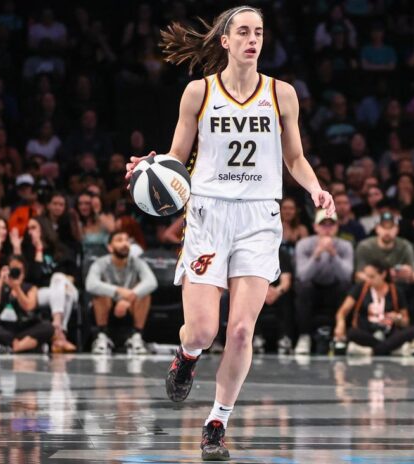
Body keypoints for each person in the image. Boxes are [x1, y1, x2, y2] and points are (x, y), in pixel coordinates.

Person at [125, 6, 335, 461]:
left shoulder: (281, 94)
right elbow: (178, 157)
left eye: (258, 32)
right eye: (243, 32)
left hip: (259, 218)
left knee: (240, 332)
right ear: (225, 40)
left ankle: (217, 422)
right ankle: (187, 354)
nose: (252, 39)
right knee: (203, 331)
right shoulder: (198, 92)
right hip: (209, 214)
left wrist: (316, 189)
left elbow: (295, 157)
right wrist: (149, 166)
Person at [86, 230, 158, 355]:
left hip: (130, 306)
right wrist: (117, 291)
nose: (125, 244)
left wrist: (130, 296)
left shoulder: (137, 262)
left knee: (144, 294)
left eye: (126, 240)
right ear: (110, 247)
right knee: (99, 293)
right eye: (119, 240)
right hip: (107, 305)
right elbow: (90, 284)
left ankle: (136, 337)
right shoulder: (100, 263)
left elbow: (152, 282)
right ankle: (102, 336)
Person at [293, 209, 353, 355]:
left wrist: (333, 254)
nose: (327, 228)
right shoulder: (304, 244)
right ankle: (304, 336)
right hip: (313, 288)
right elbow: (302, 275)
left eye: (331, 224)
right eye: (323, 224)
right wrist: (316, 255)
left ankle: (339, 336)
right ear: (315, 227)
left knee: (346, 287)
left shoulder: (345, 246)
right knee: (302, 287)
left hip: (333, 288)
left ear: (337, 227)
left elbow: (346, 276)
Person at [19, 217, 78, 353]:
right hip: (43, 292)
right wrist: (39, 250)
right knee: (64, 293)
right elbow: (34, 279)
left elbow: (75, 275)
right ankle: (61, 335)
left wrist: (63, 281)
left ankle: (55, 328)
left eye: (33, 228)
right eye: (28, 229)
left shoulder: (61, 249)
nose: (30, 232)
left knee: (58, 279)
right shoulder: (28, 252)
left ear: (43, 228)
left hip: (68, 287)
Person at [334, 260, 414, 356]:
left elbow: (406, 321)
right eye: (366, 276)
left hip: (389, 332)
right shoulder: (360, 288)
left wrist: (398, 318)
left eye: (372, 277)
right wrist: (340, 324)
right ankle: (390, 349)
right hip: (366, 331)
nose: (368, 280)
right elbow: (342, 311)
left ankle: (372, 351)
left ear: (383, 274)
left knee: (412, 330)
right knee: (351, 333)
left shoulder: (395, 291)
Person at [0, 255, 54, 353]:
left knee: (48, 327)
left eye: (18, 270)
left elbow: (29, 306)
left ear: (24, 273)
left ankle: (13, 347)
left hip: (26, 327)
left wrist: (16, 287)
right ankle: (29, 346)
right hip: (6, 328)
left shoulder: (31, 288)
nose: (15, 272)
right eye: (13, 269)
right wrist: (1, 280)